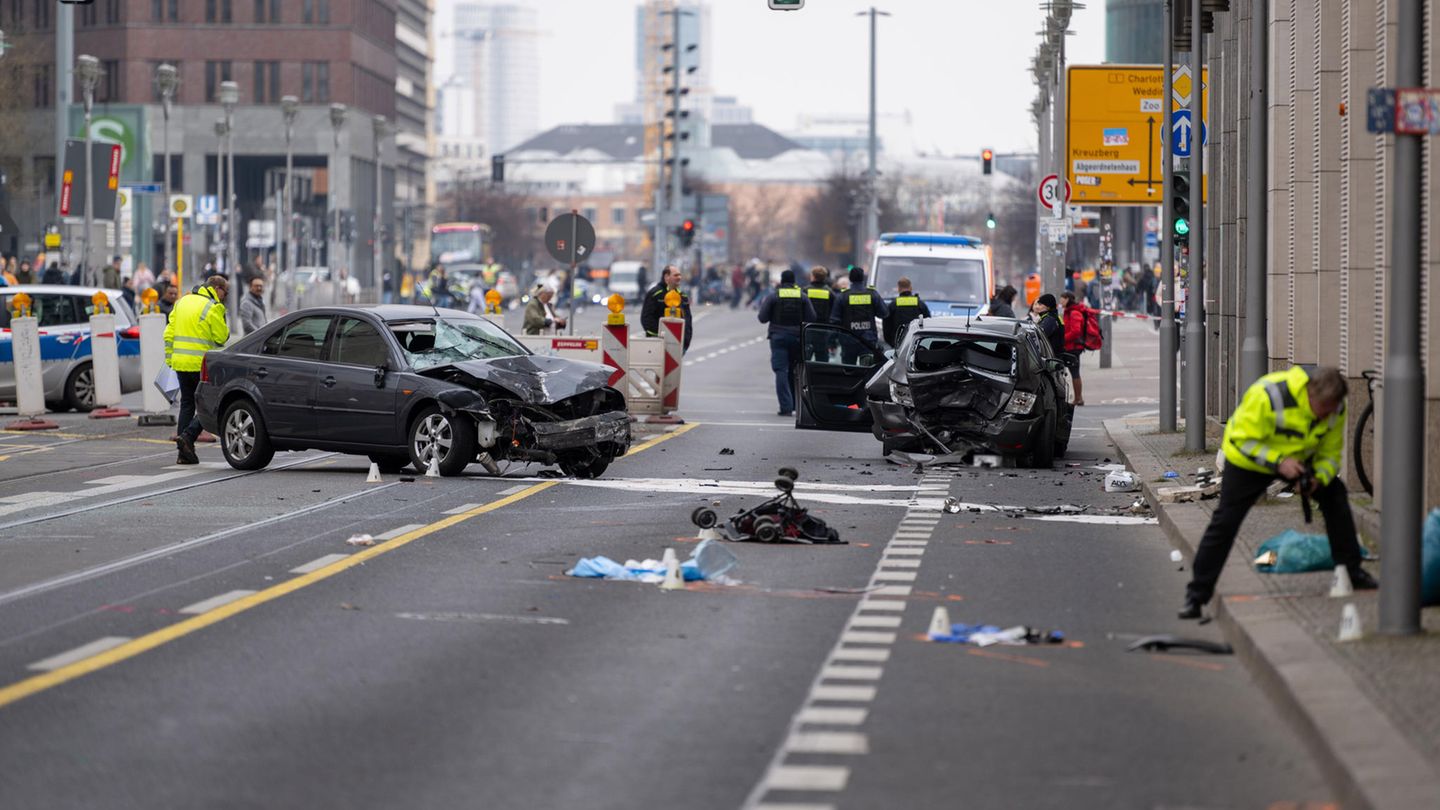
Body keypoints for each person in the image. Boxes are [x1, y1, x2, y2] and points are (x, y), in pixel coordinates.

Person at [1180, 366, 1377, 619]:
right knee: (1225, 522)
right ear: (1310, 395)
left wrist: (1318, 478)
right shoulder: (1269, 395)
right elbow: (1241, 439)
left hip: (1297, 461)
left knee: (1336, 496)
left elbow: (1330, 454)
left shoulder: (1336, 408)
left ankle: (1352, 572)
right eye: (1322, 408)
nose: (1327, 415)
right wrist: (1278, 462)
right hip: (1249, 461)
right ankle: (1196, 595)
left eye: (1332, 409)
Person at [164, 275, 230, 465]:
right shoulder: (212, 307)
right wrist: (222, 315)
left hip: (180, 363)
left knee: (187, 404)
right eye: (225, 292)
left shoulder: (182, 302)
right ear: (217, 288)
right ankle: (188, 436)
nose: (225, 296)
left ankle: (183, 453)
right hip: (201, 365)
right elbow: (221, 337)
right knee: (210, 404)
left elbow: (168, 334)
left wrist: (170, 359)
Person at [756, 268, 816, 416]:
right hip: (797, 338)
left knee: (781, 371)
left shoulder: (773, 296)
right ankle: (797, 405)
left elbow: (762, 318)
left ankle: (786, 407)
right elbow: (812, 317)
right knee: (795, 372)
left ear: (782, 281)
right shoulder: (802, 296)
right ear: (794, 281)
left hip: (778, 338)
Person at [830, 266, 888, 351]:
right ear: (862, 278)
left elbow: (834, 321)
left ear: (850, 279)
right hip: (868, 340)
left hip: (848, 339)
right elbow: (884, 313)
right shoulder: (872, 294)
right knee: (868, 363)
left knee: (848, 364)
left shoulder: (843, 296)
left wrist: (832, 342)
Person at [641, 264, 693, 353]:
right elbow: (647, 319)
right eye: (676, 275)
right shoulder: (655, 294)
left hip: (679, 345)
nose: (679, 277)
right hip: (657, 346)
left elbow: (688, 320)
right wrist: (659, 337)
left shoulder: (682, 296)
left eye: (680, 275)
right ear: (666, 276)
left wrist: (686, 341)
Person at [1059, 291, 1089, 406]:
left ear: (1067, 299)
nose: (1060, 301)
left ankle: (1078, 398)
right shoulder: (1069, 312)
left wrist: (1063, 339)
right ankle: (1078, 398)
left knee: (1075, 372)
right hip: (1071, 346)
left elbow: (1076, 331)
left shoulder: (1074, 313)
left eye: (1062, 298)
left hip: (1073, 347)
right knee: (1074, 372)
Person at [883, 276, 931, 346]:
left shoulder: (893, 305)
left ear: (898, 289)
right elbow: (928, 322)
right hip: (915, 342)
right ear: (911, 288)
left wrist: (892, 343)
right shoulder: (920, 304)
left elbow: (886, 327)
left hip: (898, 343)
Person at [1033, 293, 1065, 359]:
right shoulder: (1053, 317)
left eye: (1040, 304)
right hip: (1054, 356)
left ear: (1048, 306)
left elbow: (1039, 336)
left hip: (1050, 358)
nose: (1038, 307)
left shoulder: (1049, 320)